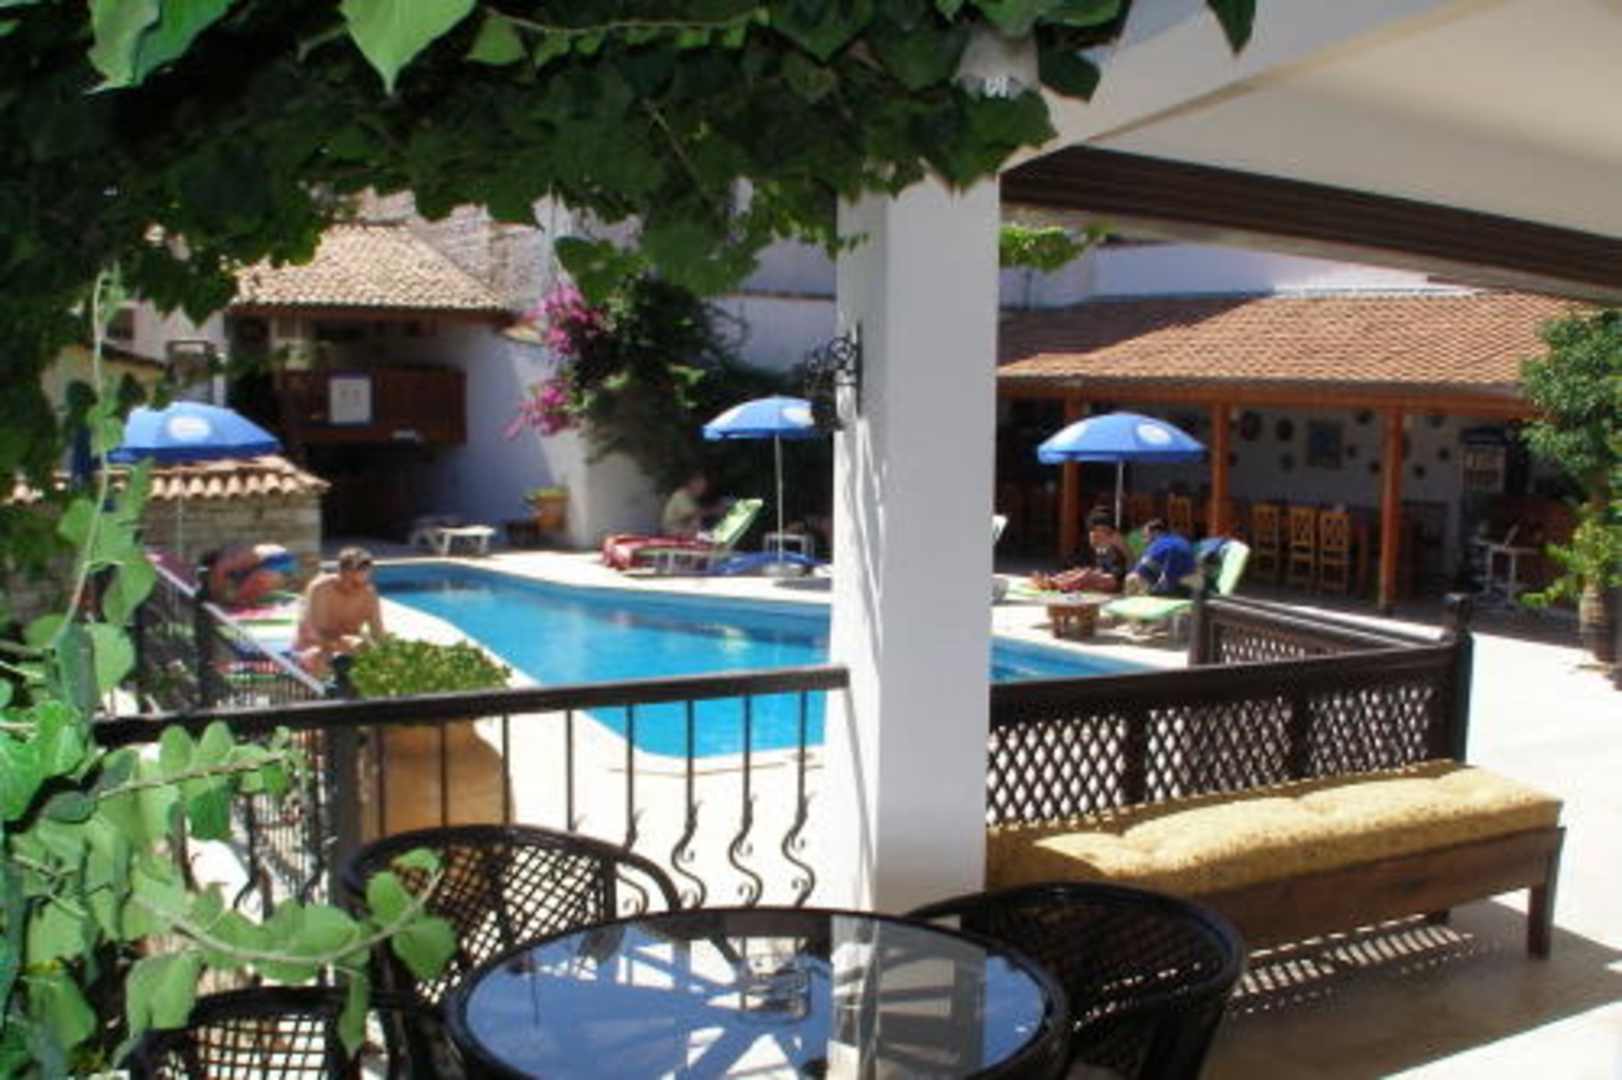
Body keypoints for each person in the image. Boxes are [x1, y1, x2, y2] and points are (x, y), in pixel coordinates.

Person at [294, 547, 384, 676]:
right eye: (354, 584)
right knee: (319, 658)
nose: (360, 589)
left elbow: (378, 632)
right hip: (312, 649)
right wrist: (345, 642)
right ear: (341, 573)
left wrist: (385, 654)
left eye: (364, 582)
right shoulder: (320, 589)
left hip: (348, 651)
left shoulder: (368, 593)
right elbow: (313, 633)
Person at [1032, 509, 1134, 594]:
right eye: (1094, 530)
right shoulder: (1101, 547)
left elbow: (1121, 570)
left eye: (1100, 530)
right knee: (1079, 571)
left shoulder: (1116, 544)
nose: (1096, 534)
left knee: (1086, 575)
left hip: (1116, 581)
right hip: (1106, 577)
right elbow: (1101, 567)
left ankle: (1056, 585)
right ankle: (1052, 580)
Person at [202, 543, 296, 609]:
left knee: (241, 596)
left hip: (273, 559)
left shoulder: (224, 561)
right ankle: (248, 605)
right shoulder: (236, 560)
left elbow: (218, 577)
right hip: (280, 559)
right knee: (244, 595)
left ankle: (243, 605)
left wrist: (218, 599)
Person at [1124, 519, 1200, 597]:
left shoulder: (1157, 545)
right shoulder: (1181, 541)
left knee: (1131, 579)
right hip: (1193, 584)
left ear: (1156, 533)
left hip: (1172, 587)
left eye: (1146, 536)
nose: (1144, 541)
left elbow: (1140, 571)